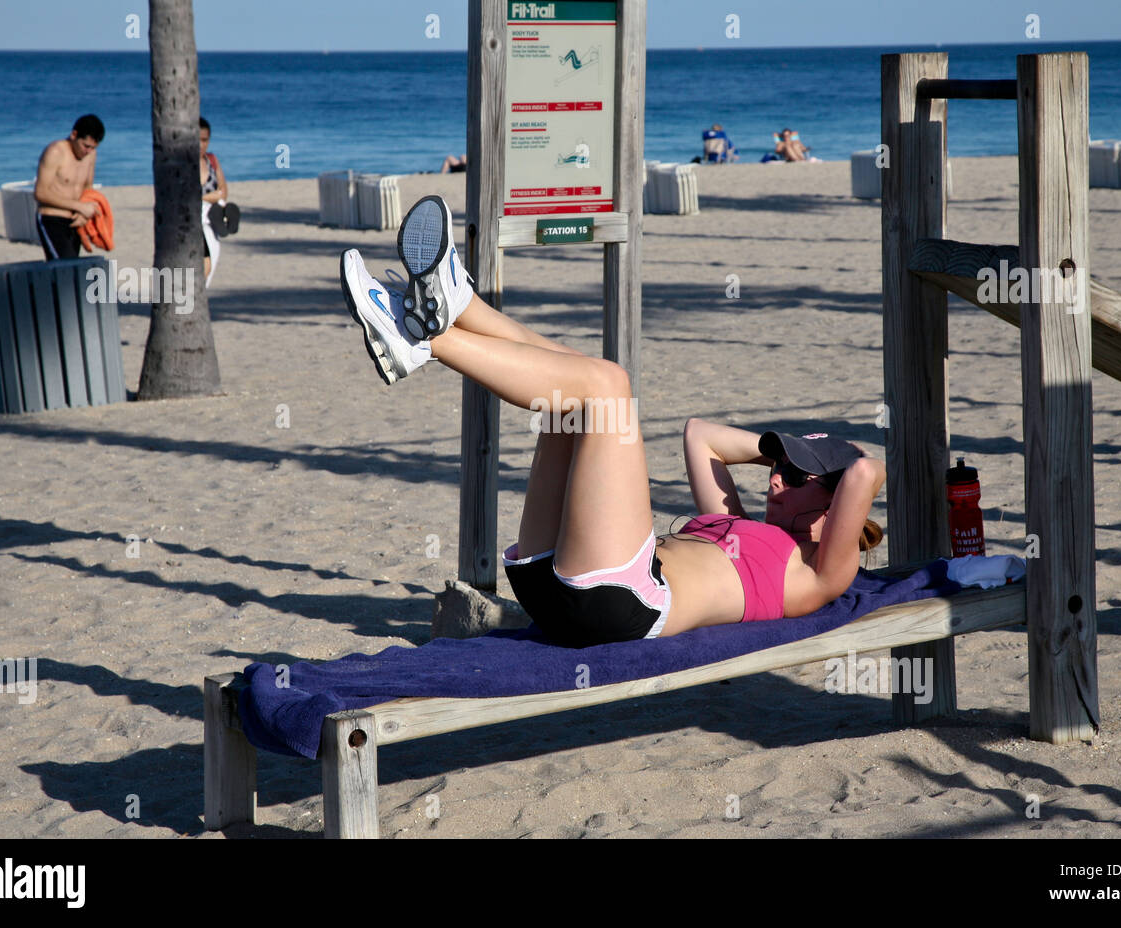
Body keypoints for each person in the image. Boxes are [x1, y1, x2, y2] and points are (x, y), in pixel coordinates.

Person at [336, 194, 887, 648]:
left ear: (831, 499)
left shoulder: (817, 575)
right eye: (776, 467)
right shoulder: (739, 525)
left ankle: (424, 339)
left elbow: (867, 473)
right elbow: (701, 435)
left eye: (792, 477)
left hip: (623, 602)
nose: (773, 477)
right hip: (554, 581)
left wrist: (835, 478)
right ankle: (461, 308)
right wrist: (786, 454)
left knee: (608, 386)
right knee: (578, 383)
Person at [33, 114, 104, 261]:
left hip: (75, 220)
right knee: (64, 267)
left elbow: (87, 188)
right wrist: (79, 206)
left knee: (72, 269)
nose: (88, 151)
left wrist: (83, 214)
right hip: (51, 218)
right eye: (86, 146)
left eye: (93, 148)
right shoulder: (55, 152)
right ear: (74, 135)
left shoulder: (91, 155)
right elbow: (40, 193)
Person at [199, 117, 230, 286]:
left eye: (205, 140)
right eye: (197, 140)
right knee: (204, 266)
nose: (201, 145)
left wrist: (201, 197)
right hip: (192, 222)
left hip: (211, 220)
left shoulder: (211, 160)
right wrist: (212, 195)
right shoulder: (183, 165)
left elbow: (223, 192)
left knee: (209, 268)